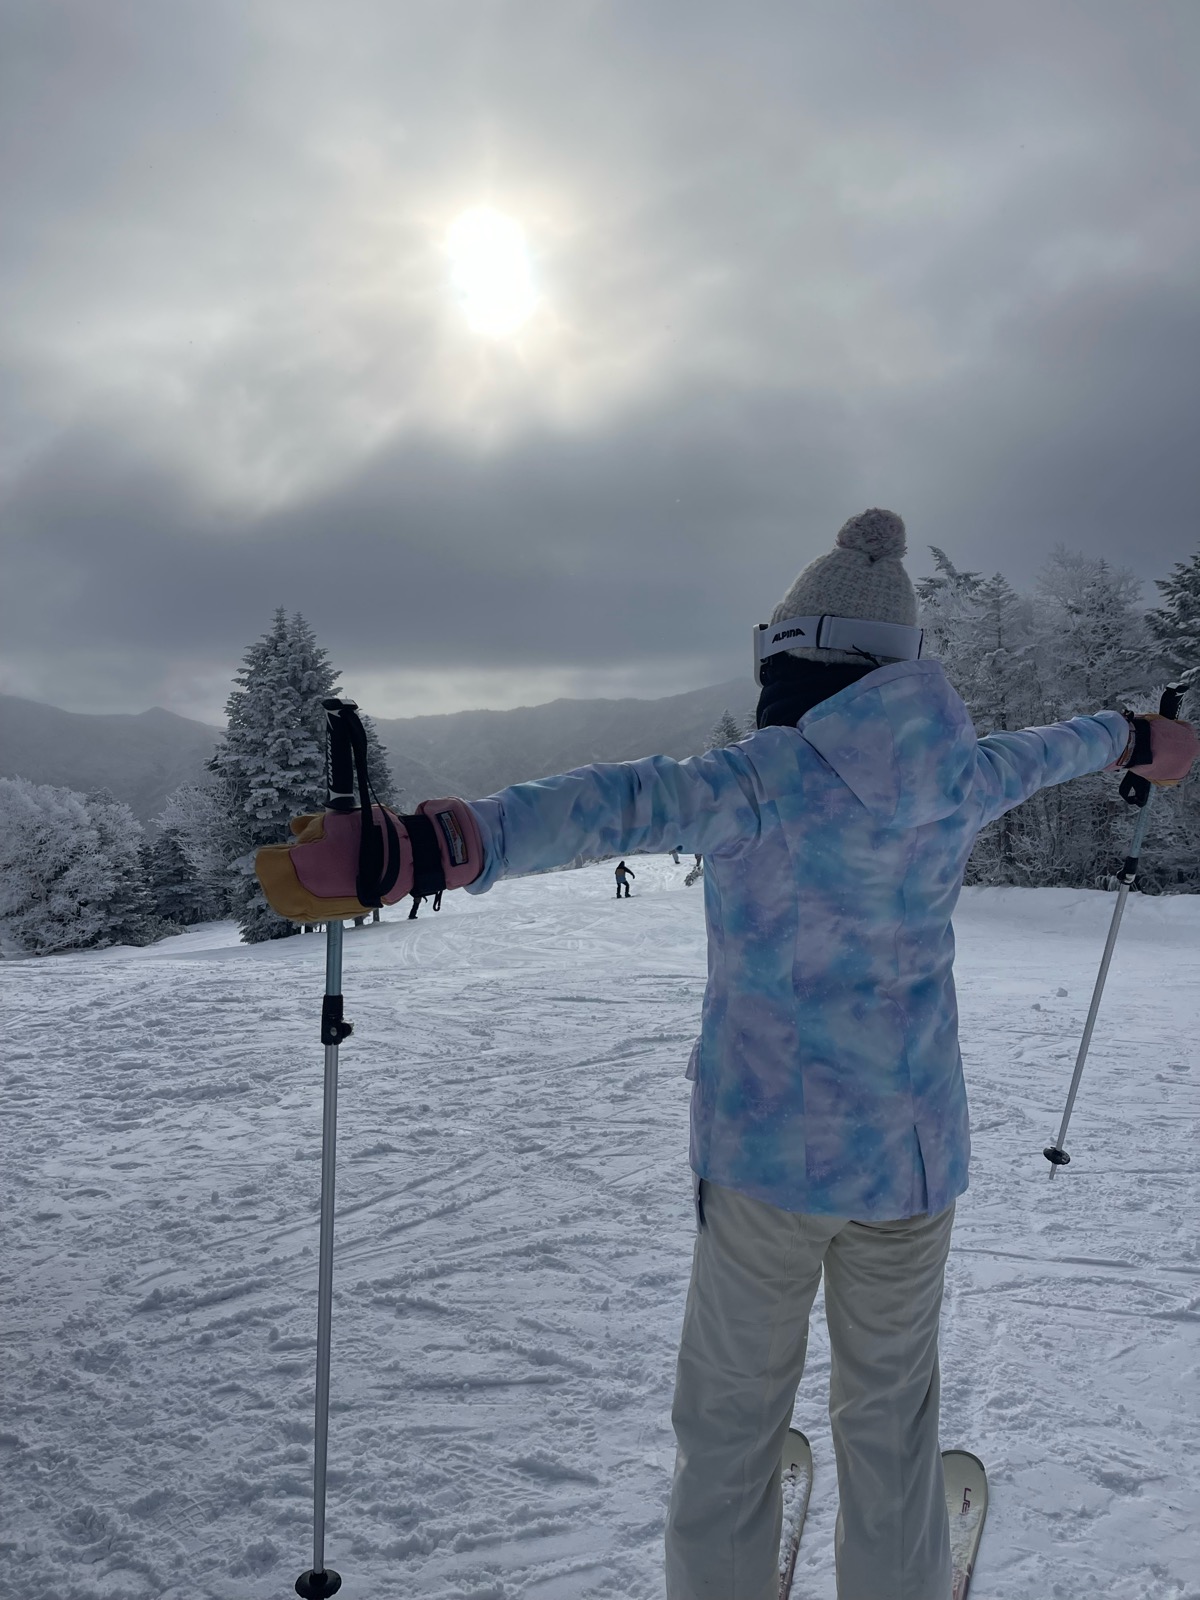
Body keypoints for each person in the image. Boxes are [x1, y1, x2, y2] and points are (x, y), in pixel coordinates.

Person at [258, 509, 1198, 1600]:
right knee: (892, 1420)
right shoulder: (962, 774)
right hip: (916, 1165)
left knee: (731, 1425)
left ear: (791, 656)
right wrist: (1136, 737)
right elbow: (1063, 748)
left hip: (768, 1167)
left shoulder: (764, 780)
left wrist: (422, 844)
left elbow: (609, 804)